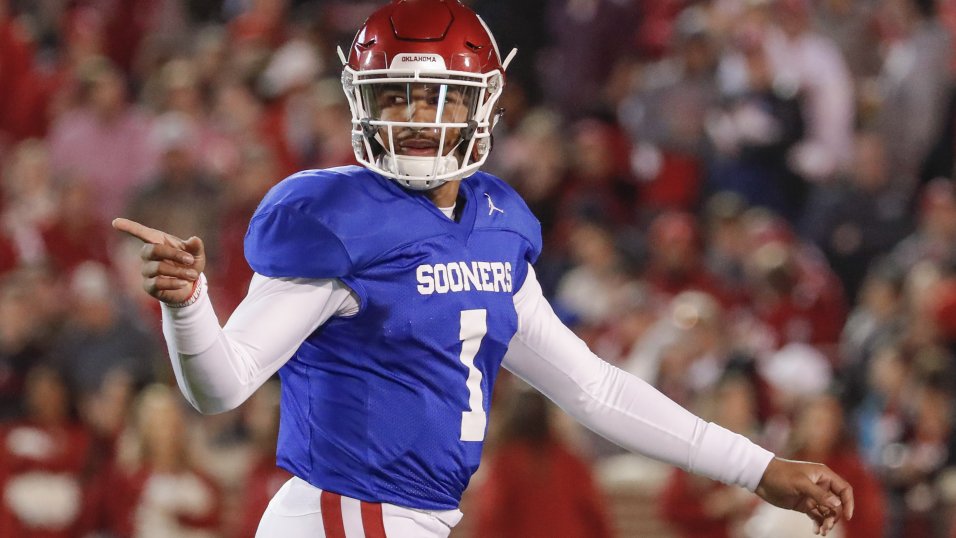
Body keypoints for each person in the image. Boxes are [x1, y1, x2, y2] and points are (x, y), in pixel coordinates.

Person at [113, 1, 854, 536]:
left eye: (435, 97)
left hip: (406, 519)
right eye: (394, 96)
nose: (413, 117)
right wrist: (187, 305)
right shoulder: (335, 218)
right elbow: (222, 386)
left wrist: (756, 468)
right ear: (361, 102)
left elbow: (593, 388)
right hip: (350, 513)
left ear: (484, 105)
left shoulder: (496, 225)